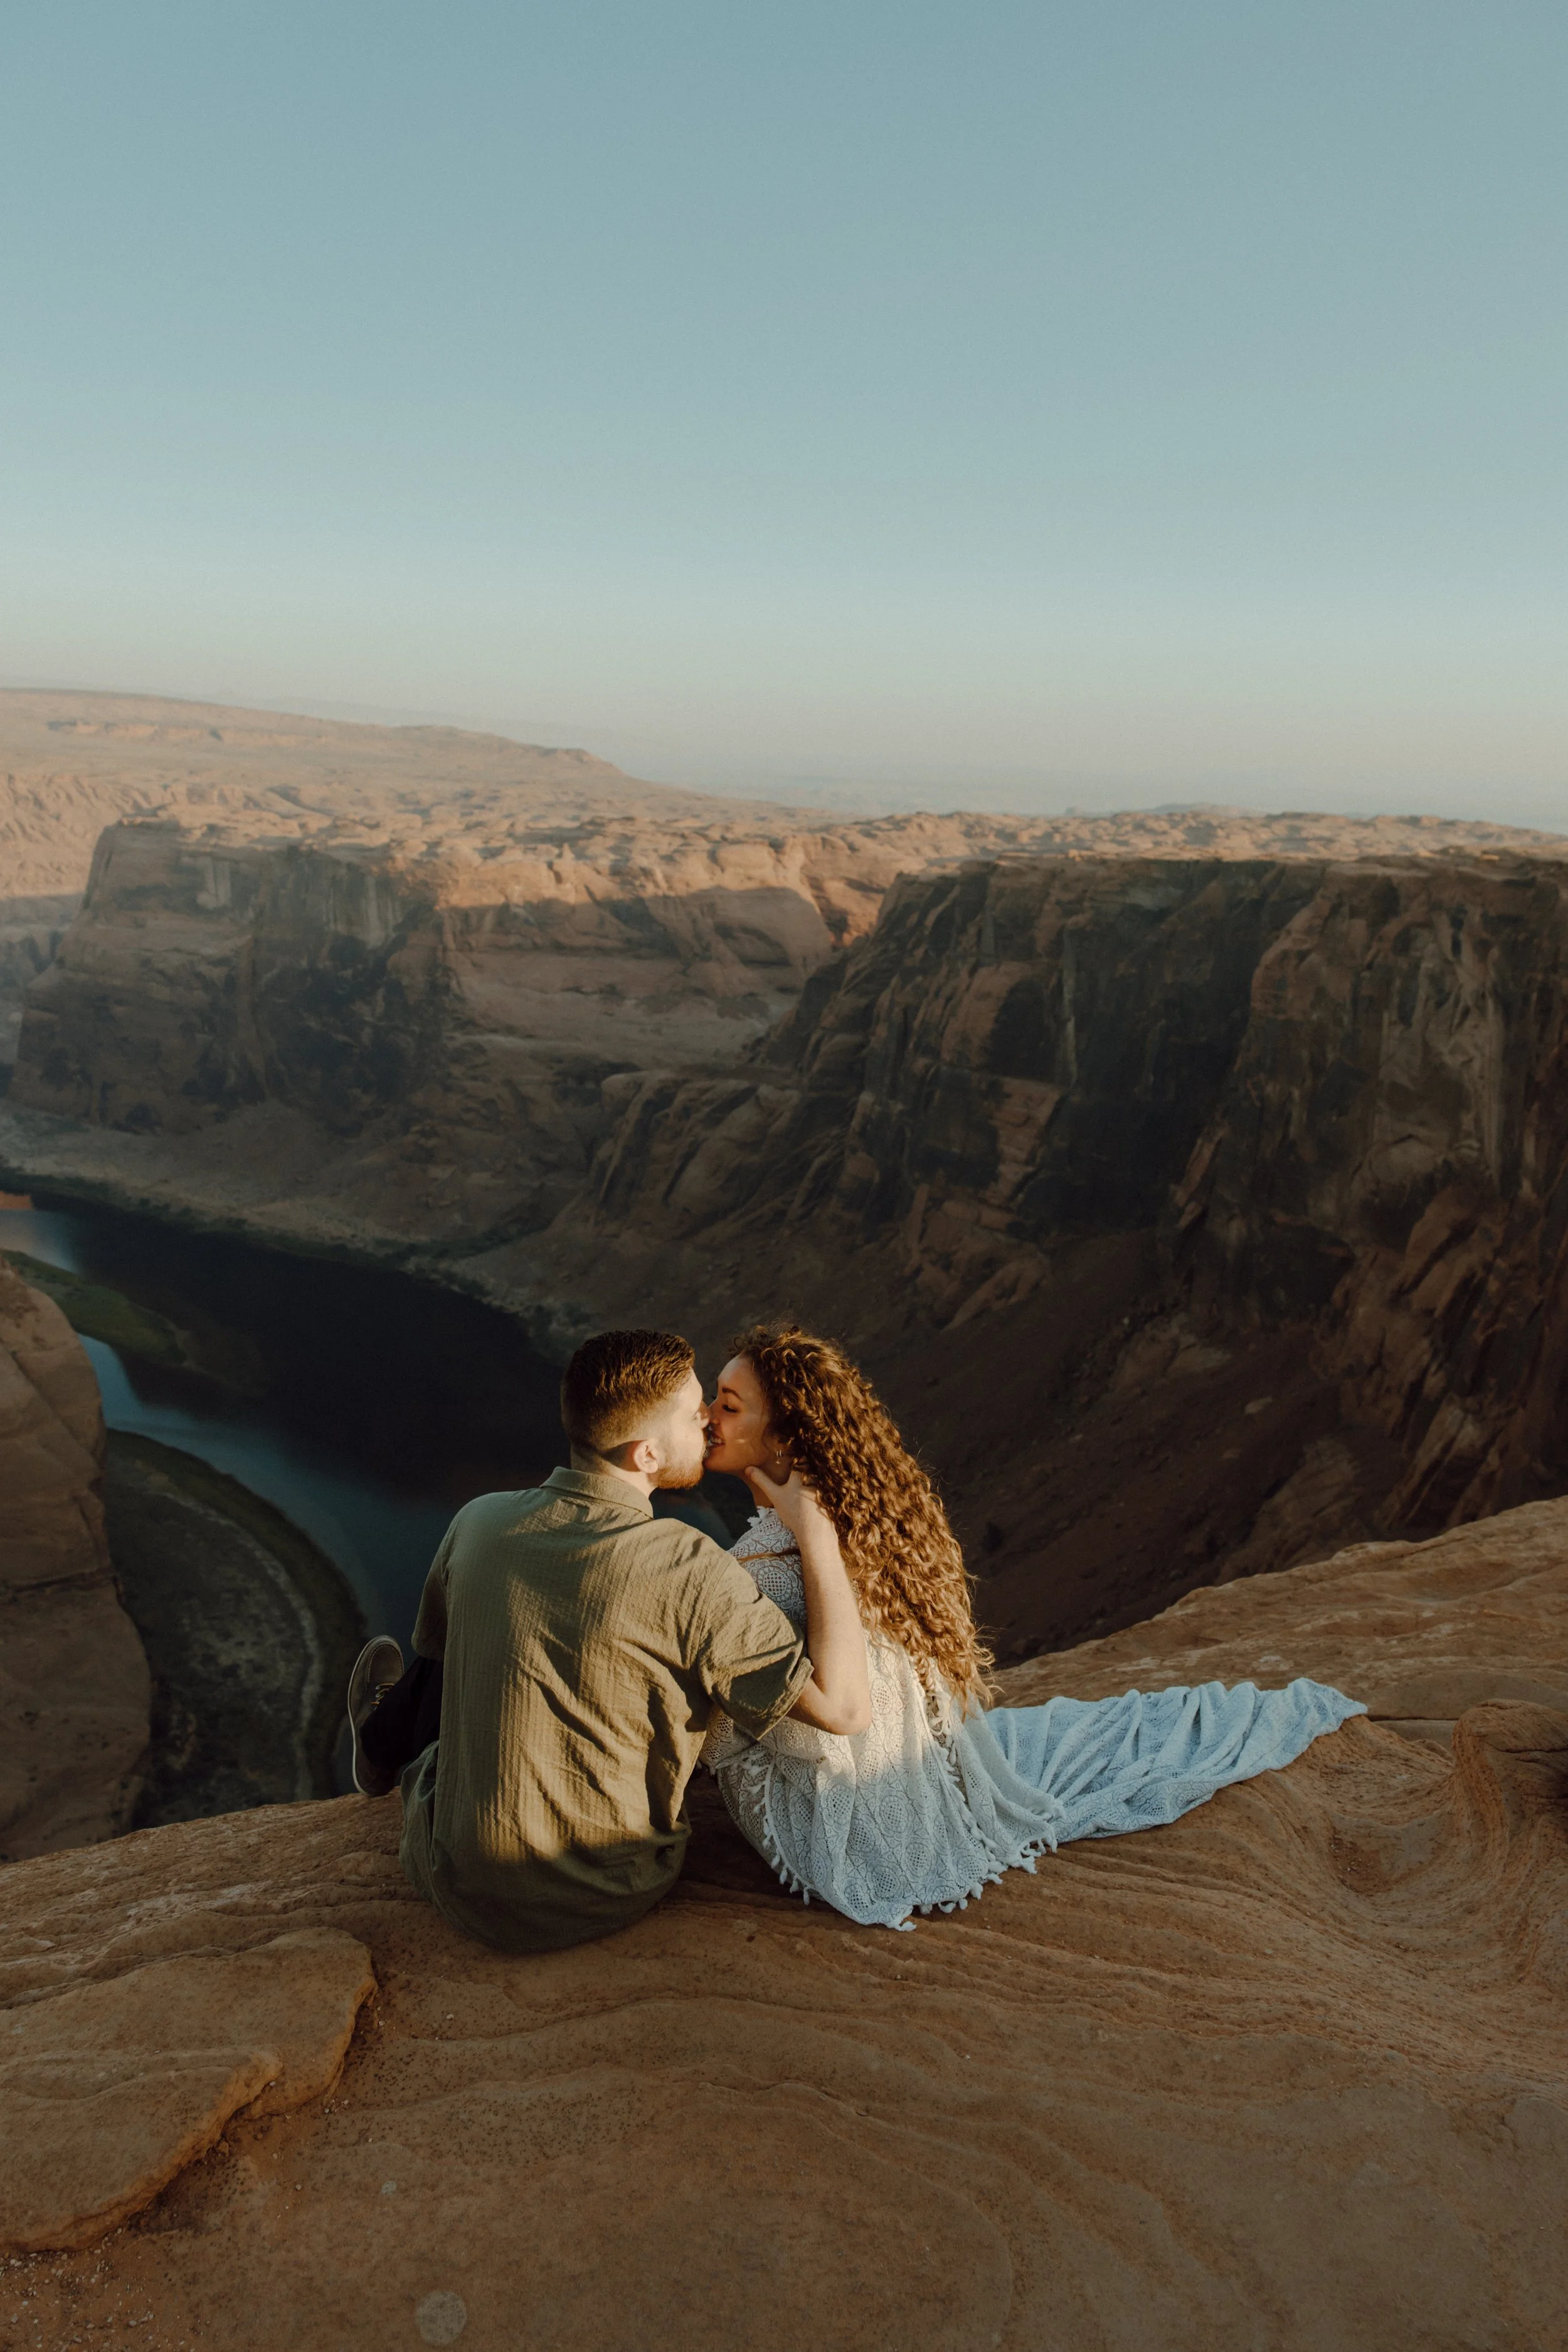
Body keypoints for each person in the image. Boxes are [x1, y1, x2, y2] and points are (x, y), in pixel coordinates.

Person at [701, 1322, 1365, 1932]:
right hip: (884, 1773)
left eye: (729, 1406)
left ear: (786, 1437)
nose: (707, 1418)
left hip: (826, 1821)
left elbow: (744, 1737)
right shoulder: (862, 1522)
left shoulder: (766, 1570)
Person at [345, 1327, 869, 1953]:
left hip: (457, 1880)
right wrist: (815, 1534)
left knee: (457, 1675)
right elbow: (844, 1710)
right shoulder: (690, 1567)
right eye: (690, 1411)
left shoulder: (478, 1520)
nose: (706, 1419)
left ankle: (381, 1742)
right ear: (645, 1455)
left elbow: (439, 1657)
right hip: (610, 1890)